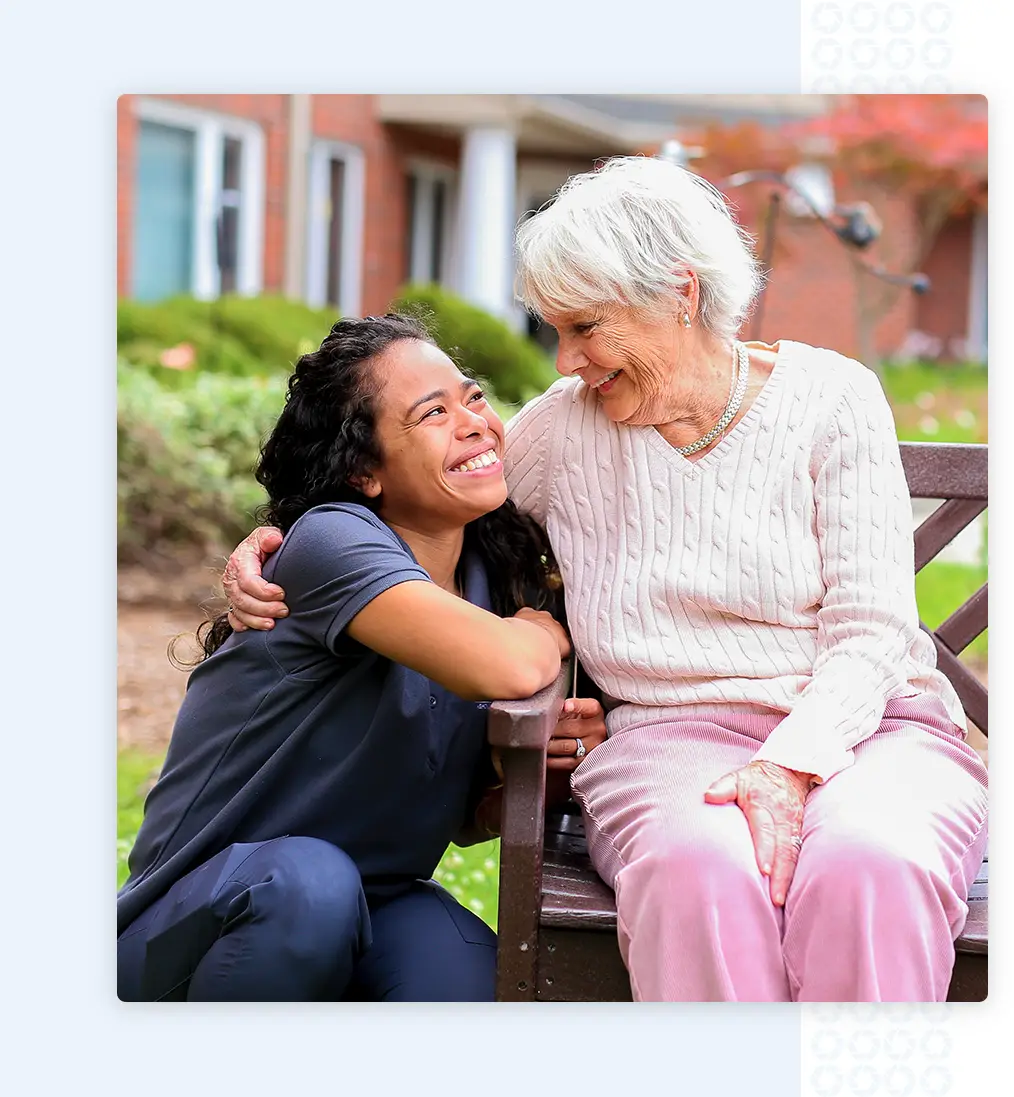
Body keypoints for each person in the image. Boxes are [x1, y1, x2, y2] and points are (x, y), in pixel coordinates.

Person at [223, 157, 988, 1003]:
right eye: (555, 330)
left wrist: (792, 762)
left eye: (584, 327)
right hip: (670, 738)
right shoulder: (560, 433)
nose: (564, 361)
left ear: (680, 294)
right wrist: (280, 536)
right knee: (698, 872)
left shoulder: (833, 399)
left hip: (872, 730)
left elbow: (872, 631)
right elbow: (425, 486)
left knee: (870, 863)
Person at [118, 314, 607, 1002]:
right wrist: (545, 634)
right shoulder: (329, 542)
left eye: (472, 397)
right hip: (192, 923)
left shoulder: (489, 573)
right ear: (362, 468)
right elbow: (510, 666)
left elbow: (465, 820)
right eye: (432, 413)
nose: (473, 421)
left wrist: (541, 765)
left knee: (461, 973)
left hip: (373, 899)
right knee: (309, 887)